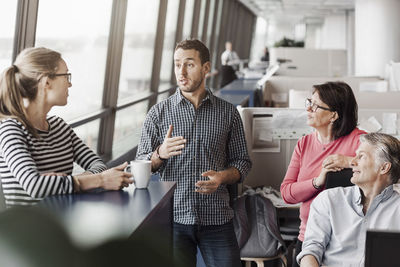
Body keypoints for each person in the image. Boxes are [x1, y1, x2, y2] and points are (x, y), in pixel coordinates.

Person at [136, 39, 252, 267]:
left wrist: (222, 177)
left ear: (206, 68)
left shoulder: (228, 113)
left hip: (217, 217)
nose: (181, 71)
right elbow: (140, 165)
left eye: (189, 64)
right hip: (173, 219)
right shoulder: (158, 113)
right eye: (177, 64)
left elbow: (243, 162)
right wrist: (160, 153)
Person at [0, 47, 133, 207]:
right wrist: (99, 180)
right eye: (66, 75)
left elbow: (99, 165)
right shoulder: (11, 130)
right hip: (28, 229)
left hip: (63, 224)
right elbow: (34, 186)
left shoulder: (60, 126)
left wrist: (71, 181)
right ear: (46, 82)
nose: (70, 83)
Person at [280, 81, 366, 267]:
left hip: (346, 244)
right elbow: (286, 193)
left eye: (316, 105)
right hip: (309, 238)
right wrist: (317, 181)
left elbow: (389, 162)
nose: (309, 108)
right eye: (309, 102)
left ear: (334, 115)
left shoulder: (359, 141)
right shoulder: (304, 144)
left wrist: (349, 161)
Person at [298, 133, 400, 266]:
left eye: (361, 156)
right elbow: (310, 251)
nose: (352, 162)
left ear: (384, 167)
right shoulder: (329, 200)